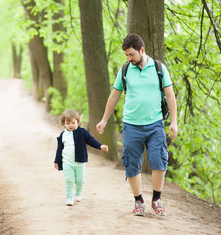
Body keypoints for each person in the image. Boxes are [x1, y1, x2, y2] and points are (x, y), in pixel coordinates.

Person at [96, 33, 178, 216]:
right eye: (126, 55)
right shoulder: (125, 70)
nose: (129, 58)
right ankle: (138, 201)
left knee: (159, 161)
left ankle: (156, 199)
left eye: (131, 54)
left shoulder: (159, 68)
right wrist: (104, 119)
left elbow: (171, 95)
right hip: (131, 125)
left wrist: (174, 122)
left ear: (142, 50)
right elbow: (114, 95)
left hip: (155, 124)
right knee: (132, 163)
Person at [54, 109, 109, 206]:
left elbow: (91, 141)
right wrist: (57, 161)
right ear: (64, 124)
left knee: (79, 181)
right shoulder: (63, 135)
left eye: (73, 122)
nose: (70, 125)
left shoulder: (83, 132)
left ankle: (78, 191)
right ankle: (69, 197)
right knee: (69, 180)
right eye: (68, 123)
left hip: (80, 163)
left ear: (78, 122)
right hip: (67, 162)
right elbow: (59, 150)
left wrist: (100, 146)